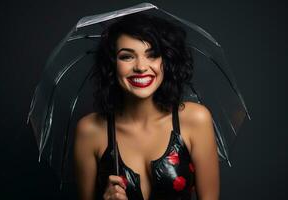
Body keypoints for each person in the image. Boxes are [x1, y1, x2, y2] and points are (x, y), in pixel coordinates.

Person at [74, 13, 219, 200]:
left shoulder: (195, 119)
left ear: (166, 61)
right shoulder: (90, 130)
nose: (141, 67)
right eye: (127, 57)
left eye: (152, 55)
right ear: (111, 65)